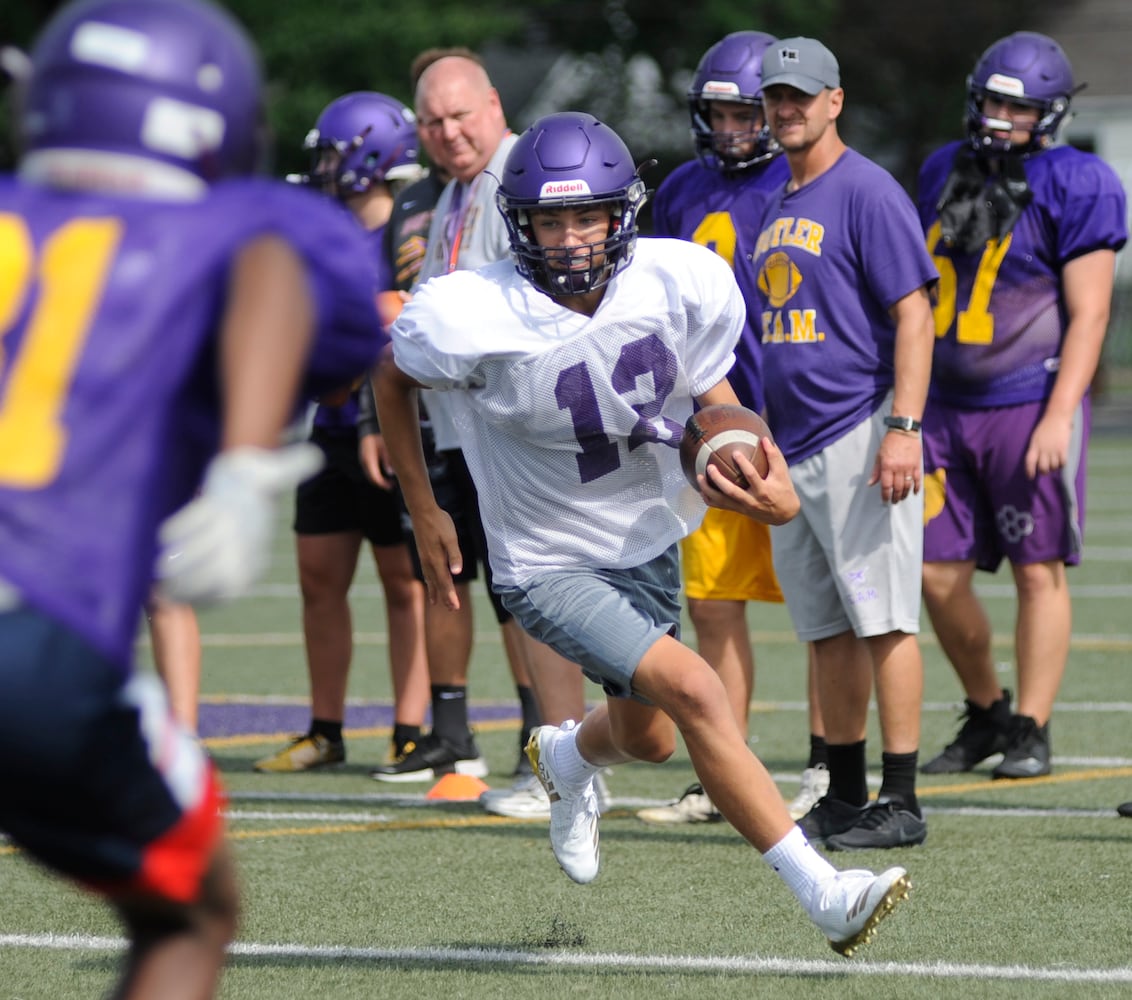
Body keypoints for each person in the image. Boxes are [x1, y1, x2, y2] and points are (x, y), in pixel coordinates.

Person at [375, 109, 912, 958]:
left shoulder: (678, 280)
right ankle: (824, 892)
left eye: (587, 214)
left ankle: (569, 755)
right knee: (696, 690)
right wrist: (426, 501)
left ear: (622, 212)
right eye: (551, 219)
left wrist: (742, 447)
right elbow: (390, 372)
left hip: (645, 537)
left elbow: (715, 393)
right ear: (520, 226)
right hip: (545, 559)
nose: (571, 237)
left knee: (648, 737)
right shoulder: (472, 310)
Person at [0, 0, 383, 997]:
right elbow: (277, 263)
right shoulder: (243, 223)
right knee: (193, 908)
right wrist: (246, 460)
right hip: (25, 638)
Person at [370, 54, 592, 804]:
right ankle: (550, 756)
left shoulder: (517, 178)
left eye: (460, 114)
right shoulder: (460, 191)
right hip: (470, 427)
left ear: (493, 105)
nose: (447, 132)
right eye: (432, 121)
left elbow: (540, 307)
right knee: (510, 591)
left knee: (538, 591)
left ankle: (565, 760)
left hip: (520, 426)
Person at [916, 31, 1127, 780]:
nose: (1001, 116)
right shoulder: (945, 166)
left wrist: (1059, 411)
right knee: (935, 574)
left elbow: (1092, 313)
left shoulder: (1079, 180)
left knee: (1039, 569)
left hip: (1027, 399)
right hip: (942, 402)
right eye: (994, 100)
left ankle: (1033, 726)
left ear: (1050, 113)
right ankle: (990, 712)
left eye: (1018, 105)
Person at [634, 30, 829, 827]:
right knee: (713, 606)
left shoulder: (804, 182)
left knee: (825, 611)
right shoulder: (682, 187)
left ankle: (827, 764)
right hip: (710, 430)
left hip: (799, 425)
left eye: (747, 112)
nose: (734, 128)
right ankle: (726, 770)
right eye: (719, 112)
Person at [751, 38, 938, 851]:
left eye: (801, 95)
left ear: (834, 101)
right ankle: (847, 792)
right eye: (775, 98)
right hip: (792, 449)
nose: (785, 109)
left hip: (860, 434)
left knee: (885, 620)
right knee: (826, 630)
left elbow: (915, 314)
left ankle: (901, 799)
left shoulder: (866, 189)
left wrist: (904, 427)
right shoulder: (777, 198)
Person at [255, 91, 430, 773]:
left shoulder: (405, 234)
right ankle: (324, 728)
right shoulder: (320, 234)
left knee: (402, 581)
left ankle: (411, 726)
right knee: (318, 578)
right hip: (326, 426)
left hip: (391, 427)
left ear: (371, 155)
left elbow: (410, 325)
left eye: (333, 153)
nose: (323, 168)